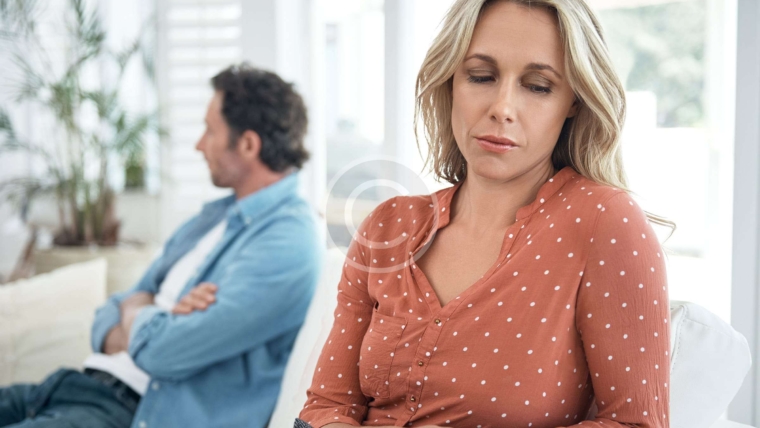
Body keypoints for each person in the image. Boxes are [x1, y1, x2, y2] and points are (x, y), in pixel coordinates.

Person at [297, 1, 671, 427]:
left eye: (538, 86)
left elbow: (635, 422)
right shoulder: (388, 226)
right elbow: (327, 405)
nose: (502, 107)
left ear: (574, 101)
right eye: (480, 76)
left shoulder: (604, 221)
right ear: (450, 82)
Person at [0, 64, 323, 428]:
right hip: (73, 385)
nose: (199, 145)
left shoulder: (288, 240)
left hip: (128, 412)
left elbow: (162, 351)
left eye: (210, 130)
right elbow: (112, 310)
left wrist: (140, 310)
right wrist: (151, 314)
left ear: (248, 144)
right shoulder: (211, 219)